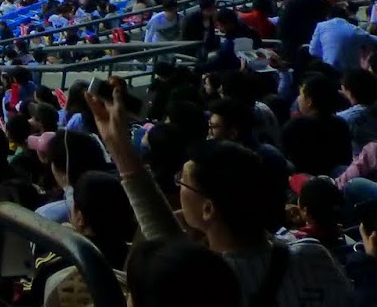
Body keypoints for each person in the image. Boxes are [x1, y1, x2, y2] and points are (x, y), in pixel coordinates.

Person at [88, 84, 354, 306]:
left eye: (183, 182)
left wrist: (120, 149)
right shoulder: (313, 257)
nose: (178, 186)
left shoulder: (202, 285)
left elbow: (175, 255)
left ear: (208, 209)